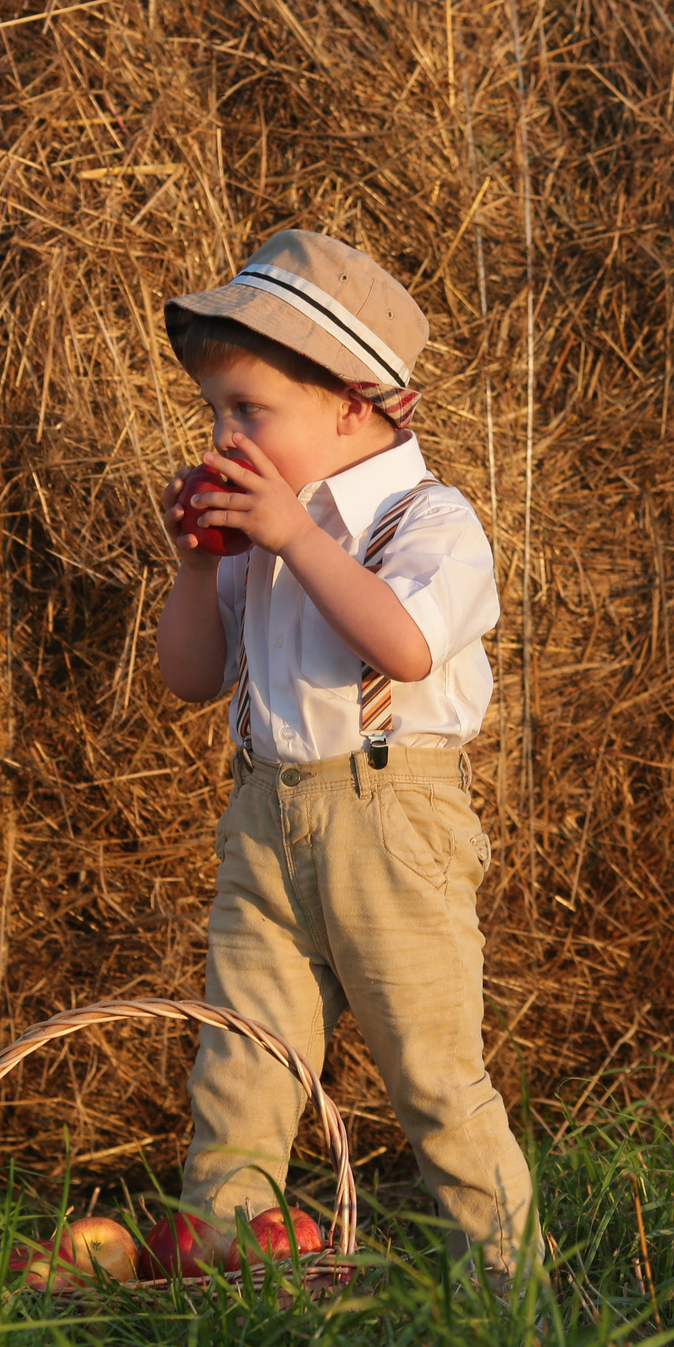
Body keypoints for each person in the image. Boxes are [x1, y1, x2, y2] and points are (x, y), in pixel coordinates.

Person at [154, 228, 536, 1279]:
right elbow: (192, 676)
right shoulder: (266, 529)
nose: (224, 436)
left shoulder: (428, 521)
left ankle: (509, 1291)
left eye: (249, 410)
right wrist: (197, 569)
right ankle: (224, 1274)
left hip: (391, 827)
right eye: (215, 411)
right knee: (240, 1066)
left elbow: (402, 645)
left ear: (353, 404)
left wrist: (295, 537)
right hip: (265, 822)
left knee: (432, 1074)